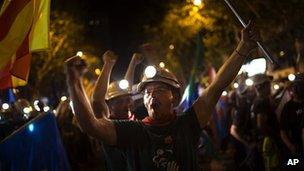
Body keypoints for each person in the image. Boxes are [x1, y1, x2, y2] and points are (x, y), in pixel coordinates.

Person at [65, 21, 260, 170]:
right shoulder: (131, 131)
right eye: (147, 92)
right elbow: (90, 124)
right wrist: (74, 82)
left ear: (174, 97)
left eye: (158, 90)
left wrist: (243, 47)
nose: (150, 96)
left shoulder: (188, 124)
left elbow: (216, 86)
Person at [91, 51, 142, 170]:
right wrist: (108, 65)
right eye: (120, 102)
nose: (127, 104)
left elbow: (126, 90)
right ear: (109, 106)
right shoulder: (108, 125)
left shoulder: (133, 118)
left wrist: (133, 63)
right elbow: (97, 100)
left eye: (128, 100)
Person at [251, 74, 281, 171]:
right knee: (273, 166)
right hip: (268, 142)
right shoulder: (261, 102)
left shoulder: (258, 100)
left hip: (264, 140)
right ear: (261, 87)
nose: (270, 86)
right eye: (268, 84)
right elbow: (261, 124)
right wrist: (274, 136)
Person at [280, 73, 304, 168]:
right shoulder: (288, 107)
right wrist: (291, 146)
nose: (298, 88)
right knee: (292, 164)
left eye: (301, 85)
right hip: (297, 149)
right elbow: (283, 131)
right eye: (296, 86)